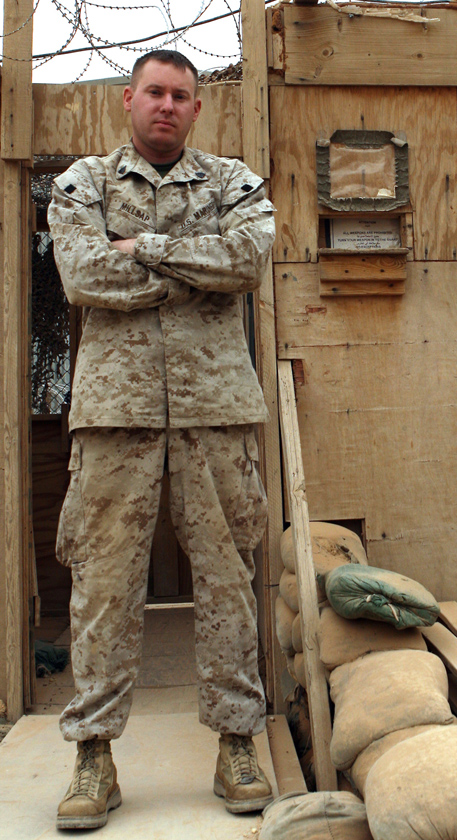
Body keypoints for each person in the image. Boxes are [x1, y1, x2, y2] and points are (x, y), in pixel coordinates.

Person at [47, 49, 276, 830]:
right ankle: (93, 756)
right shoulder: (83, 184)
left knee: (227, 579)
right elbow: (83, 276)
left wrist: (142, 247)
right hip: (116, 413)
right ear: (129, 99)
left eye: (181, 94)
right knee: (103, 586)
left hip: (216, 411)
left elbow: (246, 262)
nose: (167, 105)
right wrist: (191, 271)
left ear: (196, 107)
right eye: (155, 92)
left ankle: (237, 742)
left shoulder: (233, 183)